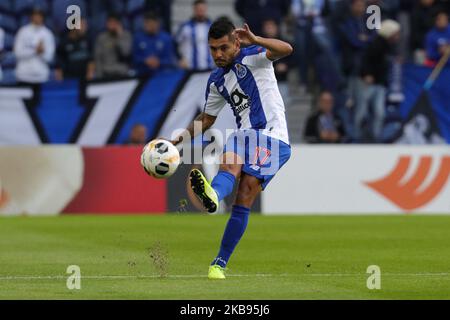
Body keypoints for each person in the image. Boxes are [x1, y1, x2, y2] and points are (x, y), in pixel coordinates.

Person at [166, 19, 293, 279]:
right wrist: (176, 141)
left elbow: (286, 49)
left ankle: (219, 256)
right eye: (213, 49)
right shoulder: (216, 81)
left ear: (237, 42)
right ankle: (213, 202)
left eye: (223, 48)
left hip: (273, 136)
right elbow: (207, 119)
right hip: (244, 135)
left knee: (245, 193)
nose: (218, 54)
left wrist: (256, 39)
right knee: (231, 166)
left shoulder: (254, 56)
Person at [354, 19, 401, 142]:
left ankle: (376, 138)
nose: (397, 36)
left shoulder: (390, 46)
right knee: (362, 112)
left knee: (380, 113)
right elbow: (365, 61)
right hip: (368, 83)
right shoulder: (375, 43)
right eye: (396, 33)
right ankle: (356, 137)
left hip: (380, 84)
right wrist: (367, 74)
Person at [13, 8, 55, 84]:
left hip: (41, 76)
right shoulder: (23, 31)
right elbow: (17, 53)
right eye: (35, 15)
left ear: (43, 17)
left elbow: (49, 58)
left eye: (39, 16)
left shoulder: (48, 34)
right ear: (31, 17)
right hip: (23, 76)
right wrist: (34, 51)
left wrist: (41, 52)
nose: (37, 18)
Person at [133, 12, 178, 76]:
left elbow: (170, 59)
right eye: (145, 22)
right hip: (143, 74)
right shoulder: (138, 38)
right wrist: (145, 61)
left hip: (162, 75)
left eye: (149, 22)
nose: (147, 25)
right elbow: (135, 58)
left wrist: (159, 62)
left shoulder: (166, 38)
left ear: (156, 23)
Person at [176, 0, 214, 71]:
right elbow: (174, 43)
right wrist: (180, 59)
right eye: (198, 9)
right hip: (190, 68)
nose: (200, 11)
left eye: (202, 9)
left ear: (206, 9)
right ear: (194, 9)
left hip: (209, 68)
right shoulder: (185, 26)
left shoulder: (212, 27)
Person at [94, 13, 132, 79]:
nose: (112, 25)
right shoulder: (101, 38)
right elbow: (98, 59)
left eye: (114, 22)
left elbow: (125, 53)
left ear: (119, 24)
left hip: (122, 73)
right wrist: (99, 77)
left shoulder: (126, 35)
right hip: (106, 73)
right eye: (110, 22)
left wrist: (119, 36)